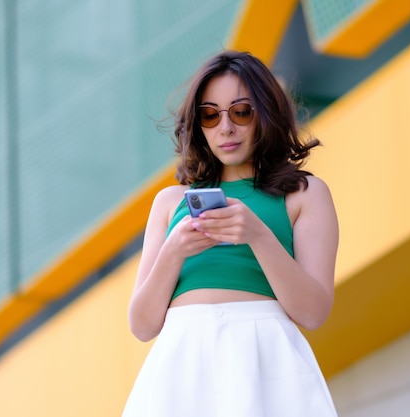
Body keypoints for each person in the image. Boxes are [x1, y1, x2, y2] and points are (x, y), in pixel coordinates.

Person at [122, 50, 339, 417]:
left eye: (241, 112)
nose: (226, 128)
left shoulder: (305, 193)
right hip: (181, 363)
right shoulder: (170, 202)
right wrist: (174, 250)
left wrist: (258, 235)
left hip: (266, 358)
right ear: (197, 124)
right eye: (210, 115)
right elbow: (142, 326)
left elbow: (314, 312)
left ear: (265, 114)